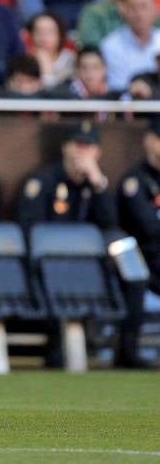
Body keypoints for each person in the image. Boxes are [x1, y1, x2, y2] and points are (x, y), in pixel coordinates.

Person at [16, 120, 118, 368]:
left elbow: (110, 224)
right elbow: (30, 227)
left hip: (89, 266)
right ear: (66, 147)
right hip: (53, 264)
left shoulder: (95, 185)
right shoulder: (44, 181)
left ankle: (122, 347)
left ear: (98, 153)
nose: (83, 152)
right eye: (78, 145)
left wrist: (97, 182)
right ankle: (57, 348)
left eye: (89, 146)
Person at [115, 115, 160, 369]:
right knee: (135, 275)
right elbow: (149, 227)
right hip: (144, 256)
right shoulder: (136, 180)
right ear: (150, 142)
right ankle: (128, 351)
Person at [99, 0, 160, 92]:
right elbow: (117, 88)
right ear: (124, 11)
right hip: (125, 105)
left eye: (143, 6)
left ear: (155, 11)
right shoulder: (111, 45)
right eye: (133, 7)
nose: (139, 13)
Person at [25, 12, 76, 90]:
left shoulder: (73, 61)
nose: (43, 37)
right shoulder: (24, 62)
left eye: (50, 32)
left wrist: (47, 71)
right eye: (39, 31)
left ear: (60, 34)